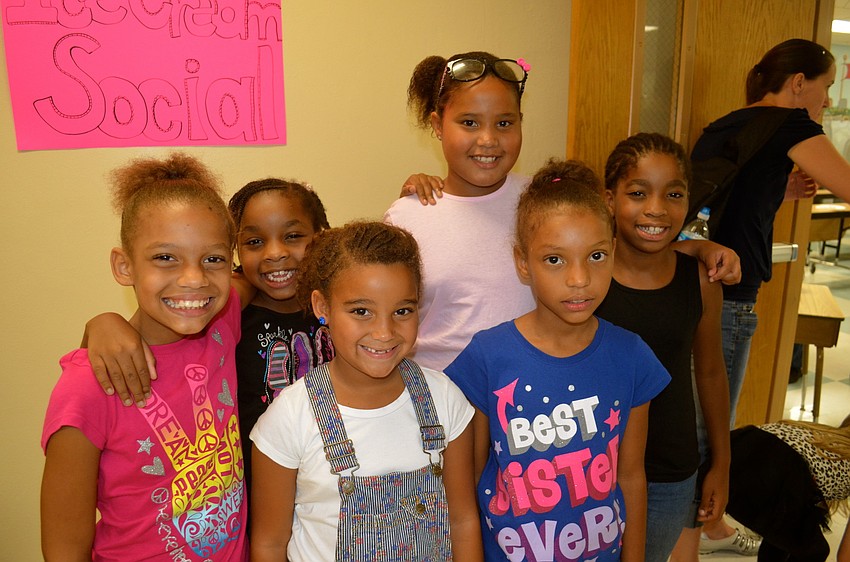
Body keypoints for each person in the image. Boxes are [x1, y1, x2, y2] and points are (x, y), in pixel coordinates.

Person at [389, 51, 741, 372]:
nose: (488, 140)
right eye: (469, 123)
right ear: (437, 125)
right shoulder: (410, 216)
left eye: (504, 123)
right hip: (439, 415)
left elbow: (615, 251)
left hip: (537, 412)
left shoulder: (547, 199)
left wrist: (697, 247)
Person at [445, 159, 671, 561]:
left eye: (596, 256)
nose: (579, 279)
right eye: (555, 260)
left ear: (614, 251)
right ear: (522, 263)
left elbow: (632, 475)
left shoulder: (631, 355)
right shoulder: (487, 357)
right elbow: (472, 482)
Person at [40, 153, 248, 560]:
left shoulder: (224, 322)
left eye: (213, 259)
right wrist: (100, 323)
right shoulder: (89, 386)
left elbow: (270, 275)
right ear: (124, 266)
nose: (194, 278)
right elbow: (63, 549)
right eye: (165, 257)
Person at [688, 38, 850, 553]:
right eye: (825, 88)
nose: (825, 101)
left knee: (700, 421)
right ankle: (694, 539)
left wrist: (780, 191)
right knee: (712, 430)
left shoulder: (726, 124)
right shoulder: (794, 125)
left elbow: (722, 204)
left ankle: (706, 528)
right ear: (799, 83)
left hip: (693, 286)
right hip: (732, 295)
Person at [83, 177, 336, 499]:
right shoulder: (228, 314)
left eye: (294, 236)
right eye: (254, 242)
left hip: (333, 476)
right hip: (258, 489)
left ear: (320, 236)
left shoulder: (336, 302)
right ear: (237, 252)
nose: (275, 253)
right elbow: (201, 296)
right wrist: (103, 322)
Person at [249, 221, 483, 561]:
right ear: (322, 307)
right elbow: (269, 544)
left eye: (402, 311)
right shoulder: (289, 418)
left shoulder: (445, 400)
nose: (384, 332)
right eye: (361, 311)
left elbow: (462, 521)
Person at [597, 133, 731, 562]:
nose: (656, 208)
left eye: (673, 194)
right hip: (588, 468)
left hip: (670, 475)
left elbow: (710, 373)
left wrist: (721, 464)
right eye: (638, 193)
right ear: (609, 199)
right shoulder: (587, 277)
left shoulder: (701, 282)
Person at [706, 418, 850, 561]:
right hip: (777, 472)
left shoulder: (826, 435)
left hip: (740, 447)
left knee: (781, 539)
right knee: (814, 550)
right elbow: (845, 556)